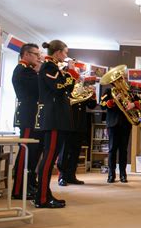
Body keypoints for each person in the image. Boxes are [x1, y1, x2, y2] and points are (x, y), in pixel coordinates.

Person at [34, 40, 79, 208]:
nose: (66, 56)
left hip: (57, 118)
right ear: (58, 52)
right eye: (65, 52)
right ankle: (42, 198)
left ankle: (45, 193)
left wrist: (68, 74)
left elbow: (63, 88)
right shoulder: (48, 67)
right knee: (49, 158)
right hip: (54, 119)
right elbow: (59, 87)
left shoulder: (52, 67)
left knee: (50, 157)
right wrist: (72, 73)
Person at [11, 44, 45, 200]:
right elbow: (39, 88)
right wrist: (41, 69)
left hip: (34, 117)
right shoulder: (23, 71)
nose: (38, 57)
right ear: (25, 54)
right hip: (27, 117)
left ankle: (29, 183)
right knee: (26, 152)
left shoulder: (29, 71)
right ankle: (18, 189)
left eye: (38, 54)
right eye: (35, 54)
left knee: (33, 153)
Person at [100, 84, 141, 183]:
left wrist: (134, 104)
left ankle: (123, 174)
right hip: (113, 123)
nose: (120, 81)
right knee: (112, 150)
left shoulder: (129, 91)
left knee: (123, 150)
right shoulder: (109, 91)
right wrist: (114, 100)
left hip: (126, 123)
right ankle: (111, 174)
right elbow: (102, 105)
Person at [57, 84, 97, 186]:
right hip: (68, 123)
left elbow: (91, 105)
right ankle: (62, 176)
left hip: (80, 125)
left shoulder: (83, 89)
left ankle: (71, 176)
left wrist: (92, 94)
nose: (78, 79)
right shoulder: (67, 86)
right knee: (64, 151)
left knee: (75, 152)